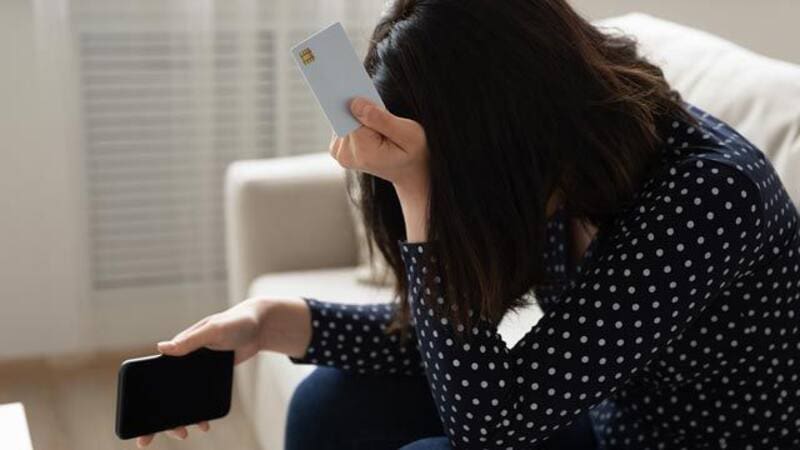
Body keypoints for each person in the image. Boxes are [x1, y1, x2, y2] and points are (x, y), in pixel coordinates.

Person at [137, 0, 800, 448]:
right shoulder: (561, 166)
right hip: (607, 417)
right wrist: (273, 320)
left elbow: (493, 428)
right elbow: (471, 346)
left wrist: (417, 189)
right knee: (329, 404)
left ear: (498, 131)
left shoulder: (708, 197)